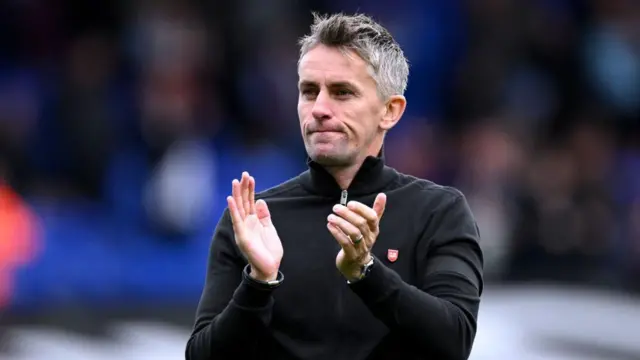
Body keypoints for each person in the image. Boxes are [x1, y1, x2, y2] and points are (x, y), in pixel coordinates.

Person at [186, 12, 483, 360]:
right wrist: (258, 282)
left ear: (390, 111)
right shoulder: (254, 221)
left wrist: (366, 274)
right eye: (309, 91)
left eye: (342, 92)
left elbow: (454, 343)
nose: (319, 109)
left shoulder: (439, 213)